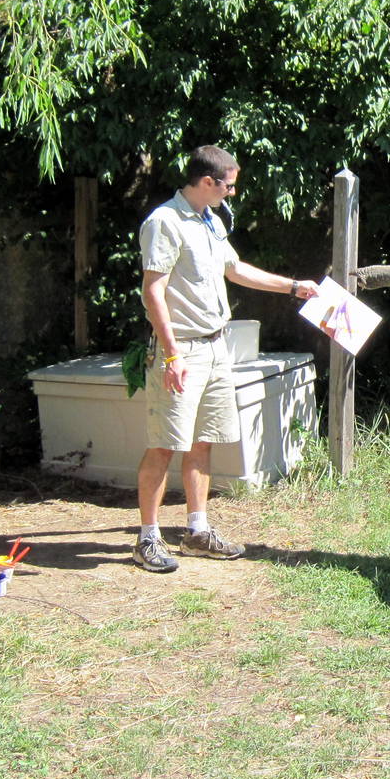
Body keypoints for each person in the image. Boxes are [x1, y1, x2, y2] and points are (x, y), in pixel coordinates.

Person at [133, 145, 319, 573]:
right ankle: (148, 538)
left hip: (218, 347)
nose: (232, 193)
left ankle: (197, 532)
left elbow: (235, 270)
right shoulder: (164, 222)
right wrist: (173, 354)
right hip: (180, 350)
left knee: (204, 440)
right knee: (164, 443)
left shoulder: (210, 221)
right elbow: (153, 291)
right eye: (228, 186)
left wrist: (293, 287)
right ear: (207, 182)